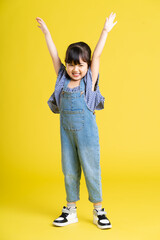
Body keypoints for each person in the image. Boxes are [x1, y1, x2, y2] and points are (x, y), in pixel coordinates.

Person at [36, 12, 117, 229]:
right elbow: (54, 57)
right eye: (71, 64)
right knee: (69, 169)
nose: (75, 69)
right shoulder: (62, 80)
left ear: (87, 65)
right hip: (66, 136)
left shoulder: (89, 83)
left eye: (81, 65)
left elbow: (98, 56)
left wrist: (105, 31)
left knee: (91, 168)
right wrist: (47, 34)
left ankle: (99, 209)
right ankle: (70, 209)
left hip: (87, 137)